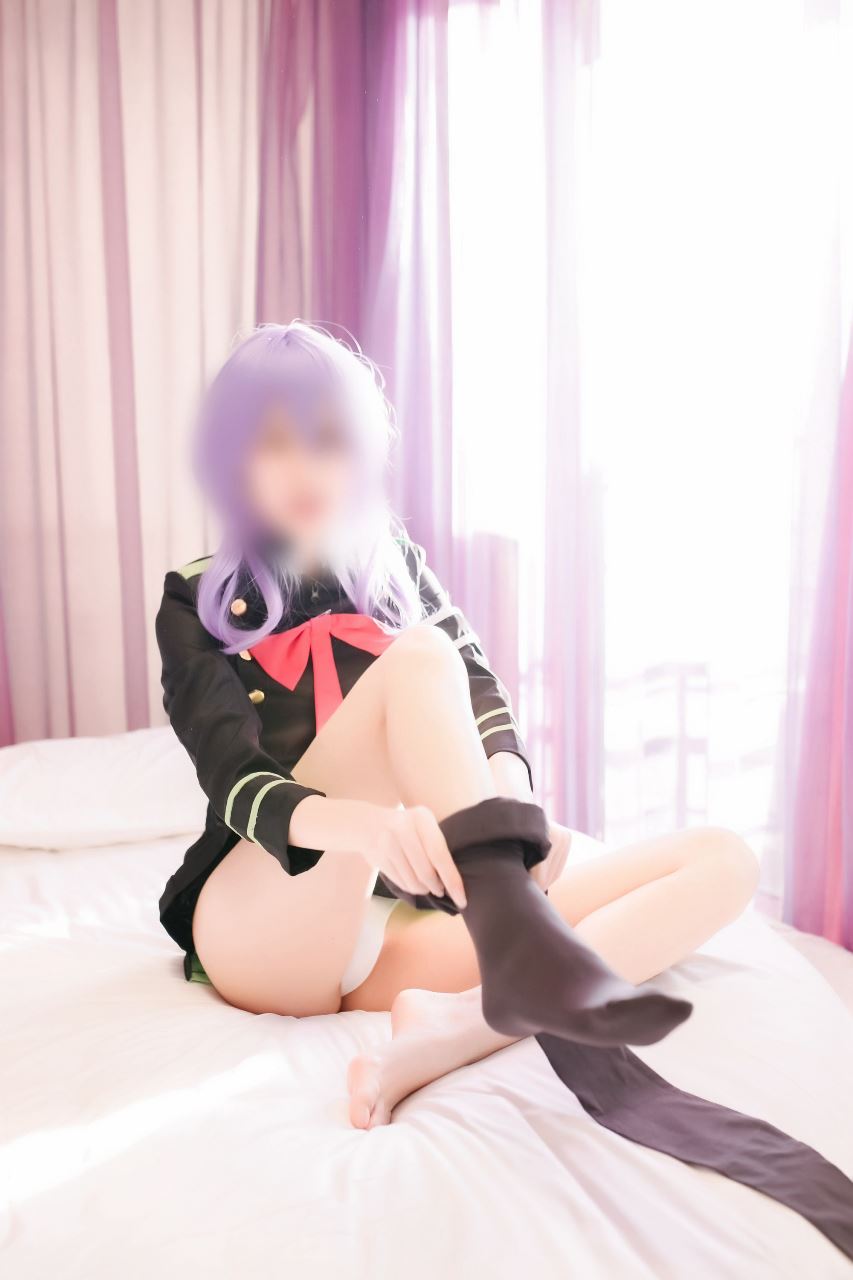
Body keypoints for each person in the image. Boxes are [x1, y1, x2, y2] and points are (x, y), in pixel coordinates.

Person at [156, 321, 755, 1128]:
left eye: (328, 440)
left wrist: (515, 815)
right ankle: (511, 920)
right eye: (274, 443)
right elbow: (234, 780)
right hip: (267, 920)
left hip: (399, 920)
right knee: (420, 656)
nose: (305, 467)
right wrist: (370, 830)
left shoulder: (392, 564)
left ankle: (460, 1026)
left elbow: (483, 702)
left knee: (724, 860)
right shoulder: (192, 598)